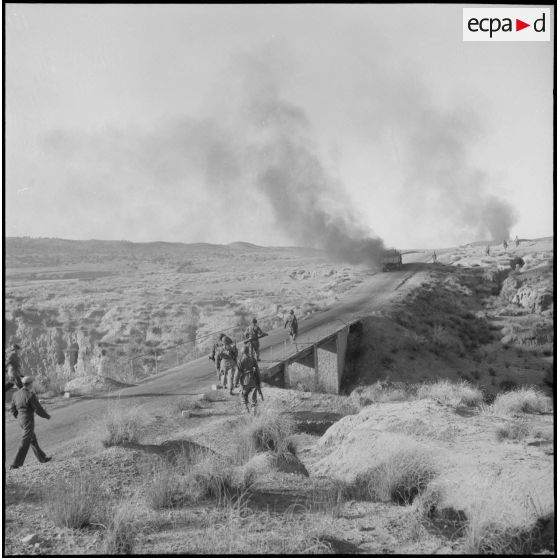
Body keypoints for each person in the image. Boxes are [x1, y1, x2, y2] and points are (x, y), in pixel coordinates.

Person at [9, 376, 52, 469]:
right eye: (32, 383)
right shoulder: (30, 395)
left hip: (20, 420)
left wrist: (19, 416)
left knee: (32, 439)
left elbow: (12, 409)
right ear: (29, 384)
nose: (32, 384)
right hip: (28, 420)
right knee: (25, 440)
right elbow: (38, 409)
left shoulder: (16, 394)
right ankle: (15, 463)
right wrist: (46, 416)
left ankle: (42, 458)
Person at [234, 345, 262, 415]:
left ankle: (246, 409)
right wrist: (259, 381)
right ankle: (254, 410)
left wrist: (235, 382)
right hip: (253, 380)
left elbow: (237, 373)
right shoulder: (253, 359)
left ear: (242, 352)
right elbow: (258, 371)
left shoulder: (240, 360)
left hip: (244, 381)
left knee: (243, 395)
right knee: (254, 396)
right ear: (248, 351)